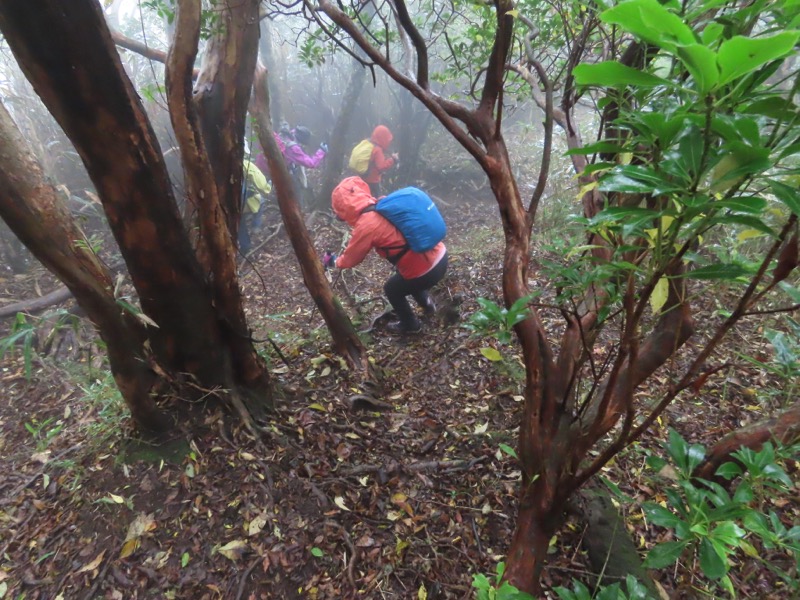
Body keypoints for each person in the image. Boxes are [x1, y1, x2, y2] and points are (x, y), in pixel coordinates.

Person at [324, 176, 447, 334]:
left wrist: (333, 262)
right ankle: (428, 304)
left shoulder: (366, 225)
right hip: (441, 255)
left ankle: (411, 325)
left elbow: (350, 259)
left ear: (345, 211)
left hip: (427, 271)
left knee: (392, 289)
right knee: (405, 276)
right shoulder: (383, 203)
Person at [239, 158, 272, 255]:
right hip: (245, 200)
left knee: (240, 223)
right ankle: (256, 226)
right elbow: (258, 178)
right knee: (261, 202)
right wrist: (267, 188)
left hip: (228, 204)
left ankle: (245, 246)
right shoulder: (244, 163)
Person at [359, 125, 398, 198]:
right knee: (376, 201)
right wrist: (393, 159)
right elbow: (381, 167)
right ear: (383, 137)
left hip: (362, 178)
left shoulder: (368, 143)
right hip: (372, 181)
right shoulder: (377, 150)